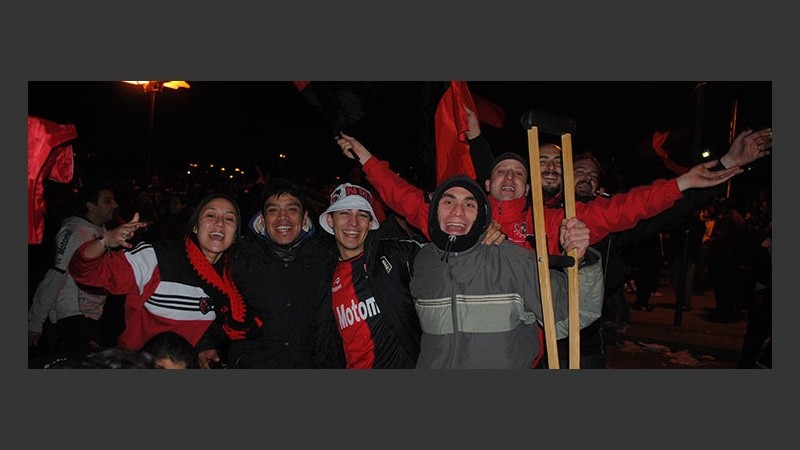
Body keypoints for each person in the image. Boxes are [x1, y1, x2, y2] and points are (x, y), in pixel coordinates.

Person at [409, 175, 605, 368]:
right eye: (448, 202)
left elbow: (577, 312)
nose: (457, 212)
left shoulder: (513, 260)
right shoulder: (423, 261)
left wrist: (582, 261)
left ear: (481, 216)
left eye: (469, 205)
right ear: (434, 211)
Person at [68, 192, 260, 369]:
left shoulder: (231, 280)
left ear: (235, 237)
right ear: (195, 226)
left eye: (229, 218)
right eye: (210, 215)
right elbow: (86, 272)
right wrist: (105, 240)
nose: (219, 223)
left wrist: (204, 348)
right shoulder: (157, 257)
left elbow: (213, 323)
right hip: (137, 365)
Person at [209, 179, 337, 368]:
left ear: (304, 218)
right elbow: (214, 305)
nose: (282, 217)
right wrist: (207, 345)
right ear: (263, 218)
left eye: (292, 209)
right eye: (273, 210)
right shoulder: (240, 258)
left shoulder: (327, 256)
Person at [311, 183, 425, 369]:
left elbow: (445, 251)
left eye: (362, 215)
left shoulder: (394, 255)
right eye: (344, 213)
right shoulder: (323, 275)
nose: (353, 222)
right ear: (330, 221)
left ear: (371, 223)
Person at [28, 182, 120, 357]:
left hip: (93, 315)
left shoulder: (102, 231)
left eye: (114, 200)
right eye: (108, 201)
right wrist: (35, 321)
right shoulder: (74, 232)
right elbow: (55, 276)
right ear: (90, 205)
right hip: (73, 315)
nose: (115, 205)